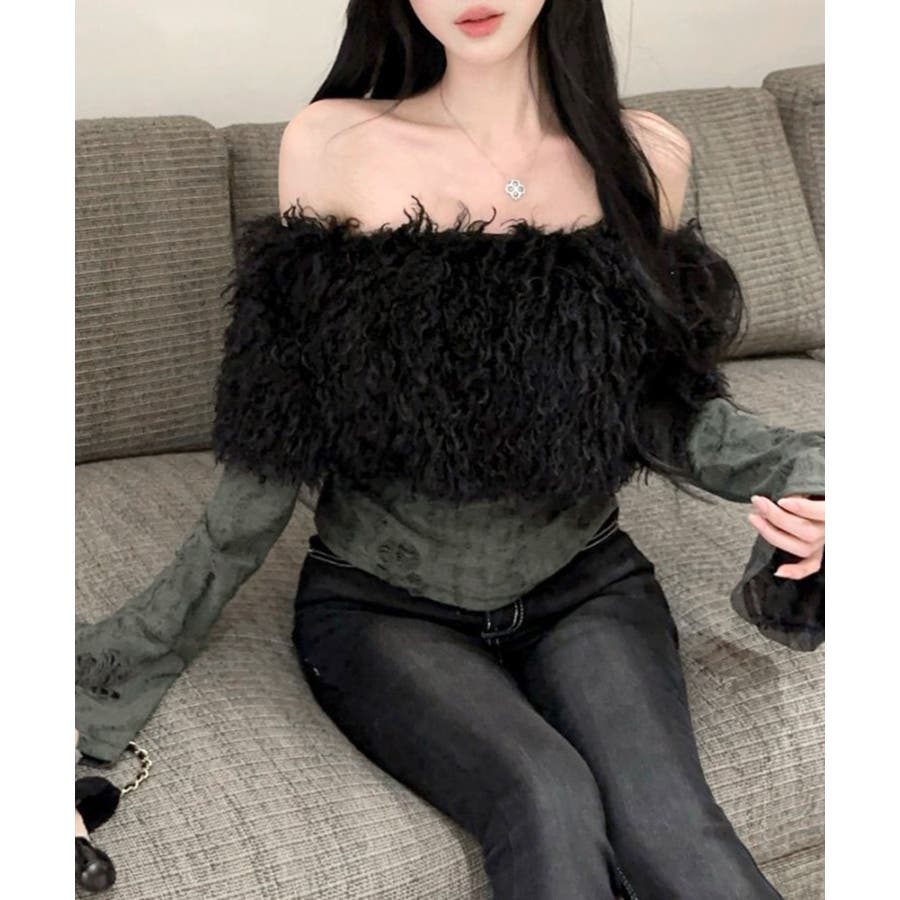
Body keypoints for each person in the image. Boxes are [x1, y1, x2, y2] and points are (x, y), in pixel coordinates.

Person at [75, 2, 825, 898]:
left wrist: (821, 477)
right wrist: (128, 659)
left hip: (587, 582)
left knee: (672, 824)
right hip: (381, 605)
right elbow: (274, 439)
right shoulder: (333, 143)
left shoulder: (647, 154)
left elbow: (663, 407)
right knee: (546, 797)